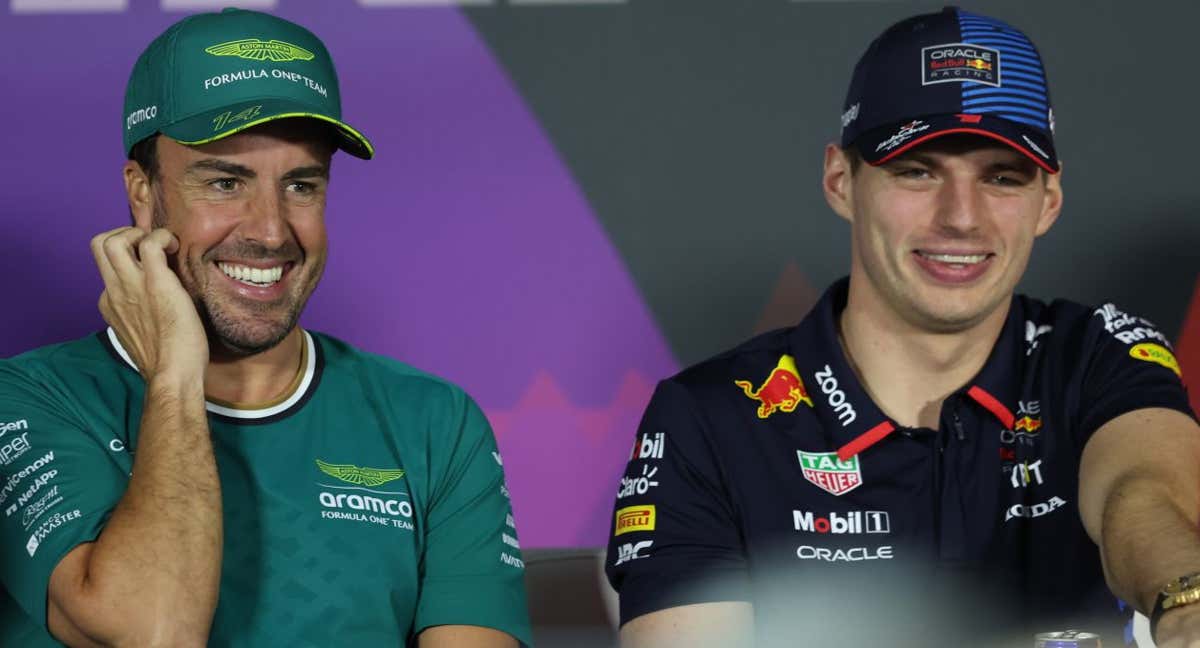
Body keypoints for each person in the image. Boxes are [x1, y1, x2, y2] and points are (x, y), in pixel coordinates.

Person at [606, 6, 1200, 647]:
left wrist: (1184, 601)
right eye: (917, 171)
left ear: (1047, 202)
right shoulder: (710, 418)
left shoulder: (1095, 355)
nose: (962, 218)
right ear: (840, 181)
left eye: (1002, 177)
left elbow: (1143, 492)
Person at [0, 8, 529, 647]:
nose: (272, 231)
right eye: (226, 181)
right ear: (143, 194)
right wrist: (173, 379)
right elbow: (149, 633)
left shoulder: (433, 422)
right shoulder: (28, 398)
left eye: (301, 186)